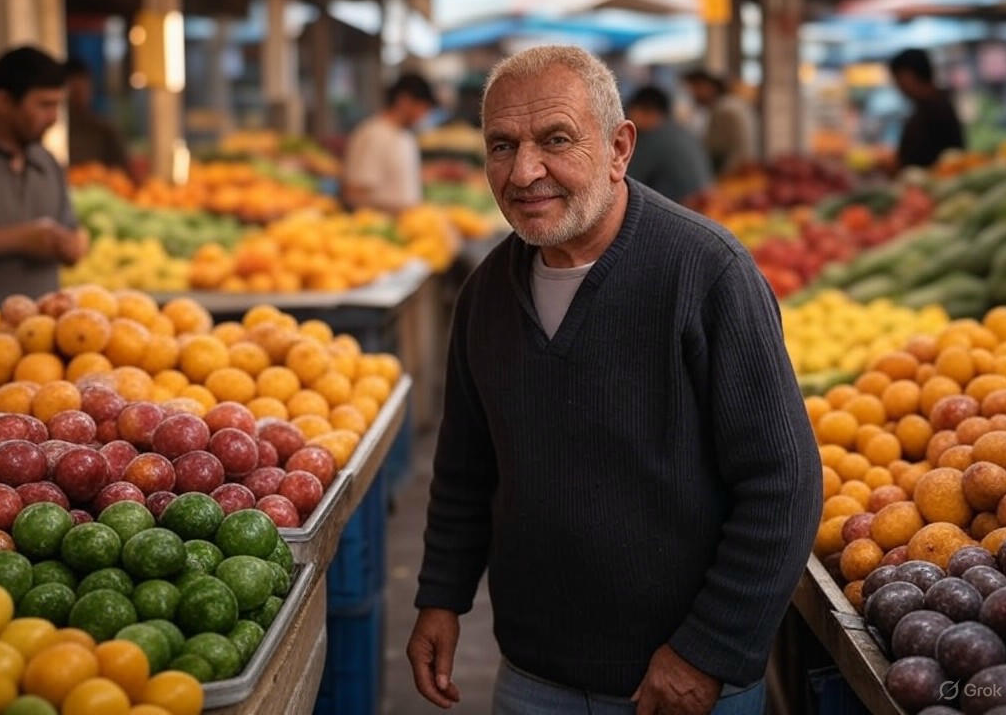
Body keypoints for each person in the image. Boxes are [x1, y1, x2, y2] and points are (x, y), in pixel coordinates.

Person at [407, 45, 821, 715]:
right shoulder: (486, 294)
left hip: (683, 684)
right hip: (533, 675)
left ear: (620, 147)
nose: (524, 171)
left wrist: (708, 650)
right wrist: (440, 597)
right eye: (502, 145)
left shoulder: (707, 273)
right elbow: (464, 469)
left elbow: (785, 482)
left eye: (557, 140)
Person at [0, 46, 87, 304]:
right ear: (3, 102)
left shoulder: (47, 163)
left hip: (41, 333)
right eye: (44, 105)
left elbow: (71, 228)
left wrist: (74, 244)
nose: (53, 118)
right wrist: (19, 239)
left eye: (58, 105)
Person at [342, 72, 437, 213]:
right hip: (380, 230)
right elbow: (355, 194)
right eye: (422, 107)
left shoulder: (406, 136)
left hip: (408, 229)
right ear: (404, 100)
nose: (424, 115)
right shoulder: (374, 134)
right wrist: (399, 212)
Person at [625, 85, 711, 203]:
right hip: (704, 205)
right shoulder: (681, 131)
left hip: (683, 208)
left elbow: (626, 180)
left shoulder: (653, 138)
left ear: (645, 111)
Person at [889, 48, 964, 169]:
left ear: (908, 76)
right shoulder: (928, 105)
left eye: (897, 79)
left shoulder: (937, 108)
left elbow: (951, 157)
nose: (897, 86)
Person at [683, 69, 757, 176]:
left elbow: (714, 148)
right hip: (742, 169)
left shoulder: (723, 110)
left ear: (706, 86)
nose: (693, 95)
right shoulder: (732, 103)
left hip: (732, 173)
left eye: (693, 89)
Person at [65, 57, 130, 173]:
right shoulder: (56, 132)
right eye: (74, 92)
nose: (80, 96)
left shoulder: (104, 129)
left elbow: (121, 169)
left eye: (83, 90)